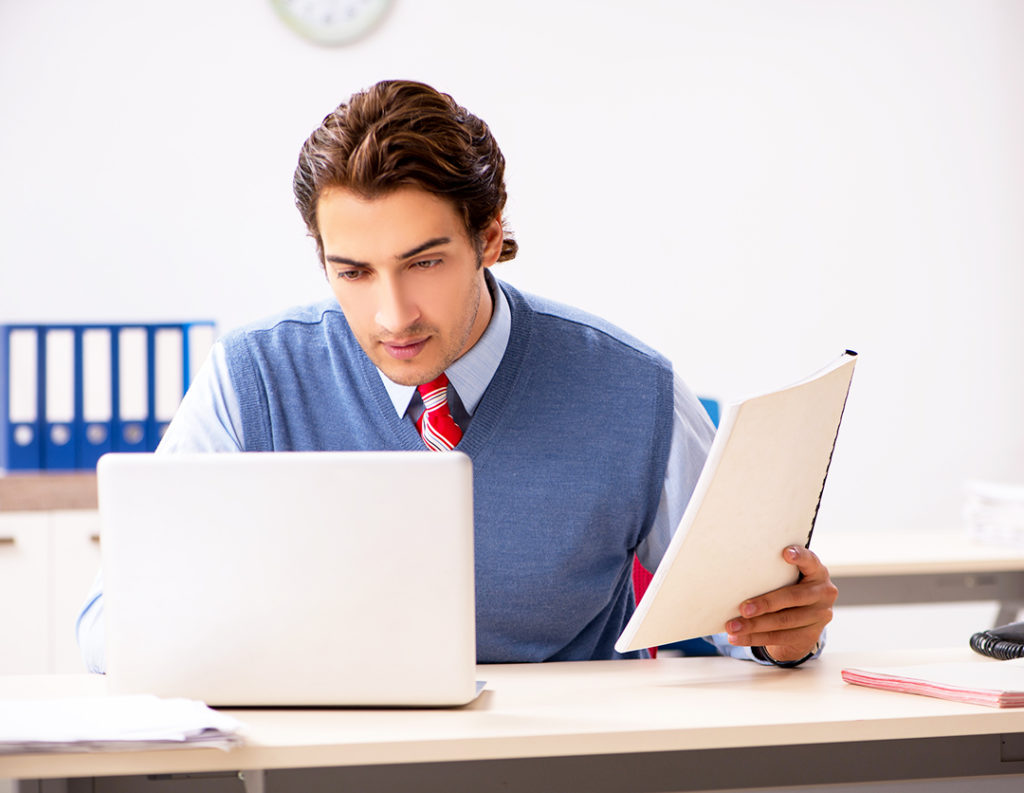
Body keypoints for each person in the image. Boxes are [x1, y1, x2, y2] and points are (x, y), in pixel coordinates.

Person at [77, 79, 836, 673]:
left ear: (489, 236)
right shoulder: (253, 382)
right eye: (353, 272)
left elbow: (749, 620)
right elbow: (113, 625)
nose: (391, 314)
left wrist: (784, 633)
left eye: (425, 263)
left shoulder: (633, 391)